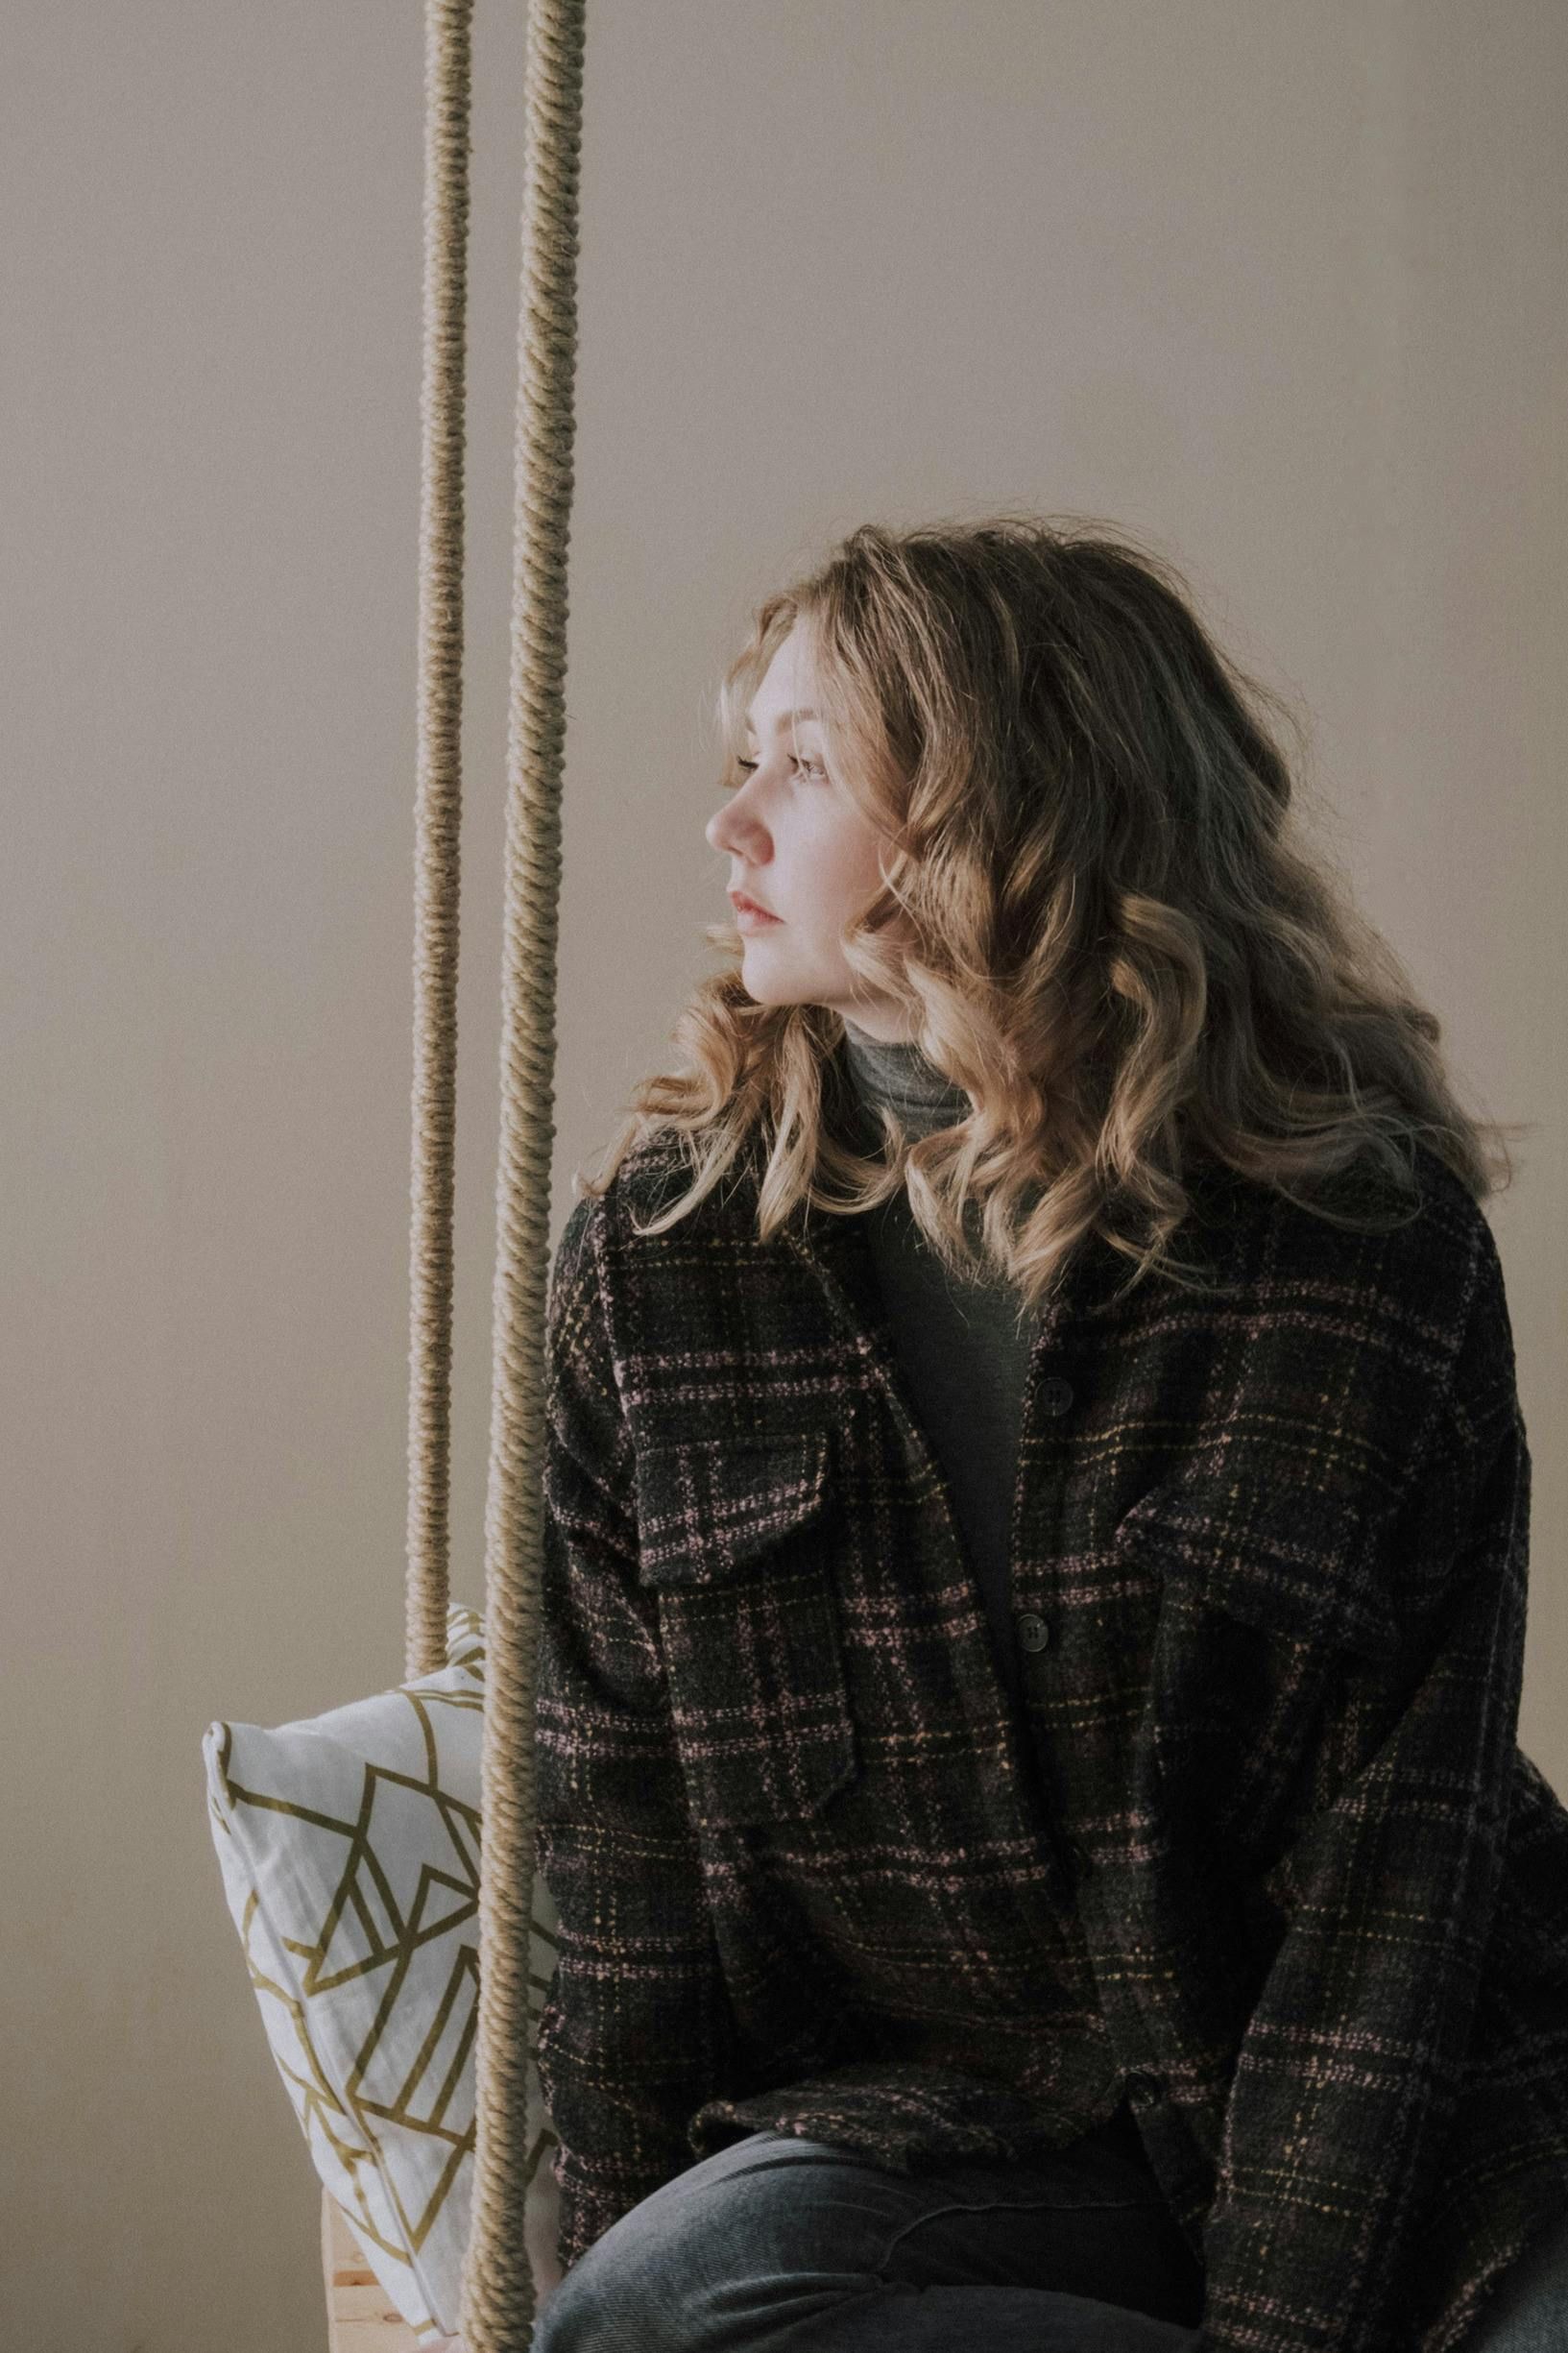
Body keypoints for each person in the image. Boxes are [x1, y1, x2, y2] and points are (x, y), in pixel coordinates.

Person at [521, 518, 1568, 2352]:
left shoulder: (1361, 1245)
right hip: (968, 2125)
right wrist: (577, 2310)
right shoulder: (664, 1263)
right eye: (739, 756)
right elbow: (616, 1856)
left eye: (803, 760)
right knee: (667, 2309)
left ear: (1008, 810)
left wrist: (1288, 2335)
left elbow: (1396, 1876)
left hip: (1393, 2114)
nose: (730, 822)